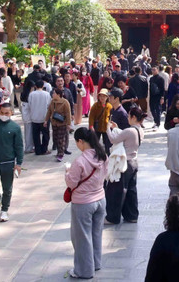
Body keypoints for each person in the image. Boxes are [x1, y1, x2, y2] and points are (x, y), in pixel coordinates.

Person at [66, 128, 108, 280]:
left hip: (83, 203)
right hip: (100, 199)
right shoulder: (103, 156)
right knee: (96, 234)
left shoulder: (80, 161)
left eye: (77, 142)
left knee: (82, 238)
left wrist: (67, 173)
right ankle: (95, 263)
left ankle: (84, 271)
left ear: (81, 142)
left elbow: (71, 183)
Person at [104, 105, 145, 225]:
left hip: (124, 163)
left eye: (128, 116)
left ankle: (112, 217)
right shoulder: (139, 130)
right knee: (131, 191)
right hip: (134, 162)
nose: (127, 118)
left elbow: (113, 139)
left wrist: (107, 128)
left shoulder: (129, 130)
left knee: (116, 191)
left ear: (133, 117)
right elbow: (126, 138)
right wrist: (117, 128)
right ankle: (131, 215)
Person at [47, 88, 72, 161]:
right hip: (54, 123)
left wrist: (68, 123)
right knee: (55, 138)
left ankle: (61, 154)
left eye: (54, 93)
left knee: (61, 139)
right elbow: (49, 111)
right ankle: (59, 151)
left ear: (58, 94)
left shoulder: (65, 102)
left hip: (62, 123)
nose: (52, 94)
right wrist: (46, 120)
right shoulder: (52, 102)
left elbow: (68, 113)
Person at [27, 80, 51, 155]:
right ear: (43, 86)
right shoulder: (47, 94)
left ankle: (37, 150)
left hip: (34, 117)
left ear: (35, 86)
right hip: (44, 117)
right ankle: (44, 149)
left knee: (36, 135)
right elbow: (49, 105)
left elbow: (29, 105)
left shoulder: (31, 94)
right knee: (45, 134)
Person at [149, 66, 166, 130]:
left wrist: (162, 97)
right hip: (152, 96)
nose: (153, 71)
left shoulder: (161, 79)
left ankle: (158, 123)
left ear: (157, 70)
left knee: (158, 109)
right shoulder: (151, 79)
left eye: (154, 70)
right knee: (152, 109)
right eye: (152, 70)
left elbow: (162, 89)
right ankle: (155, 121)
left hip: (158, 96)